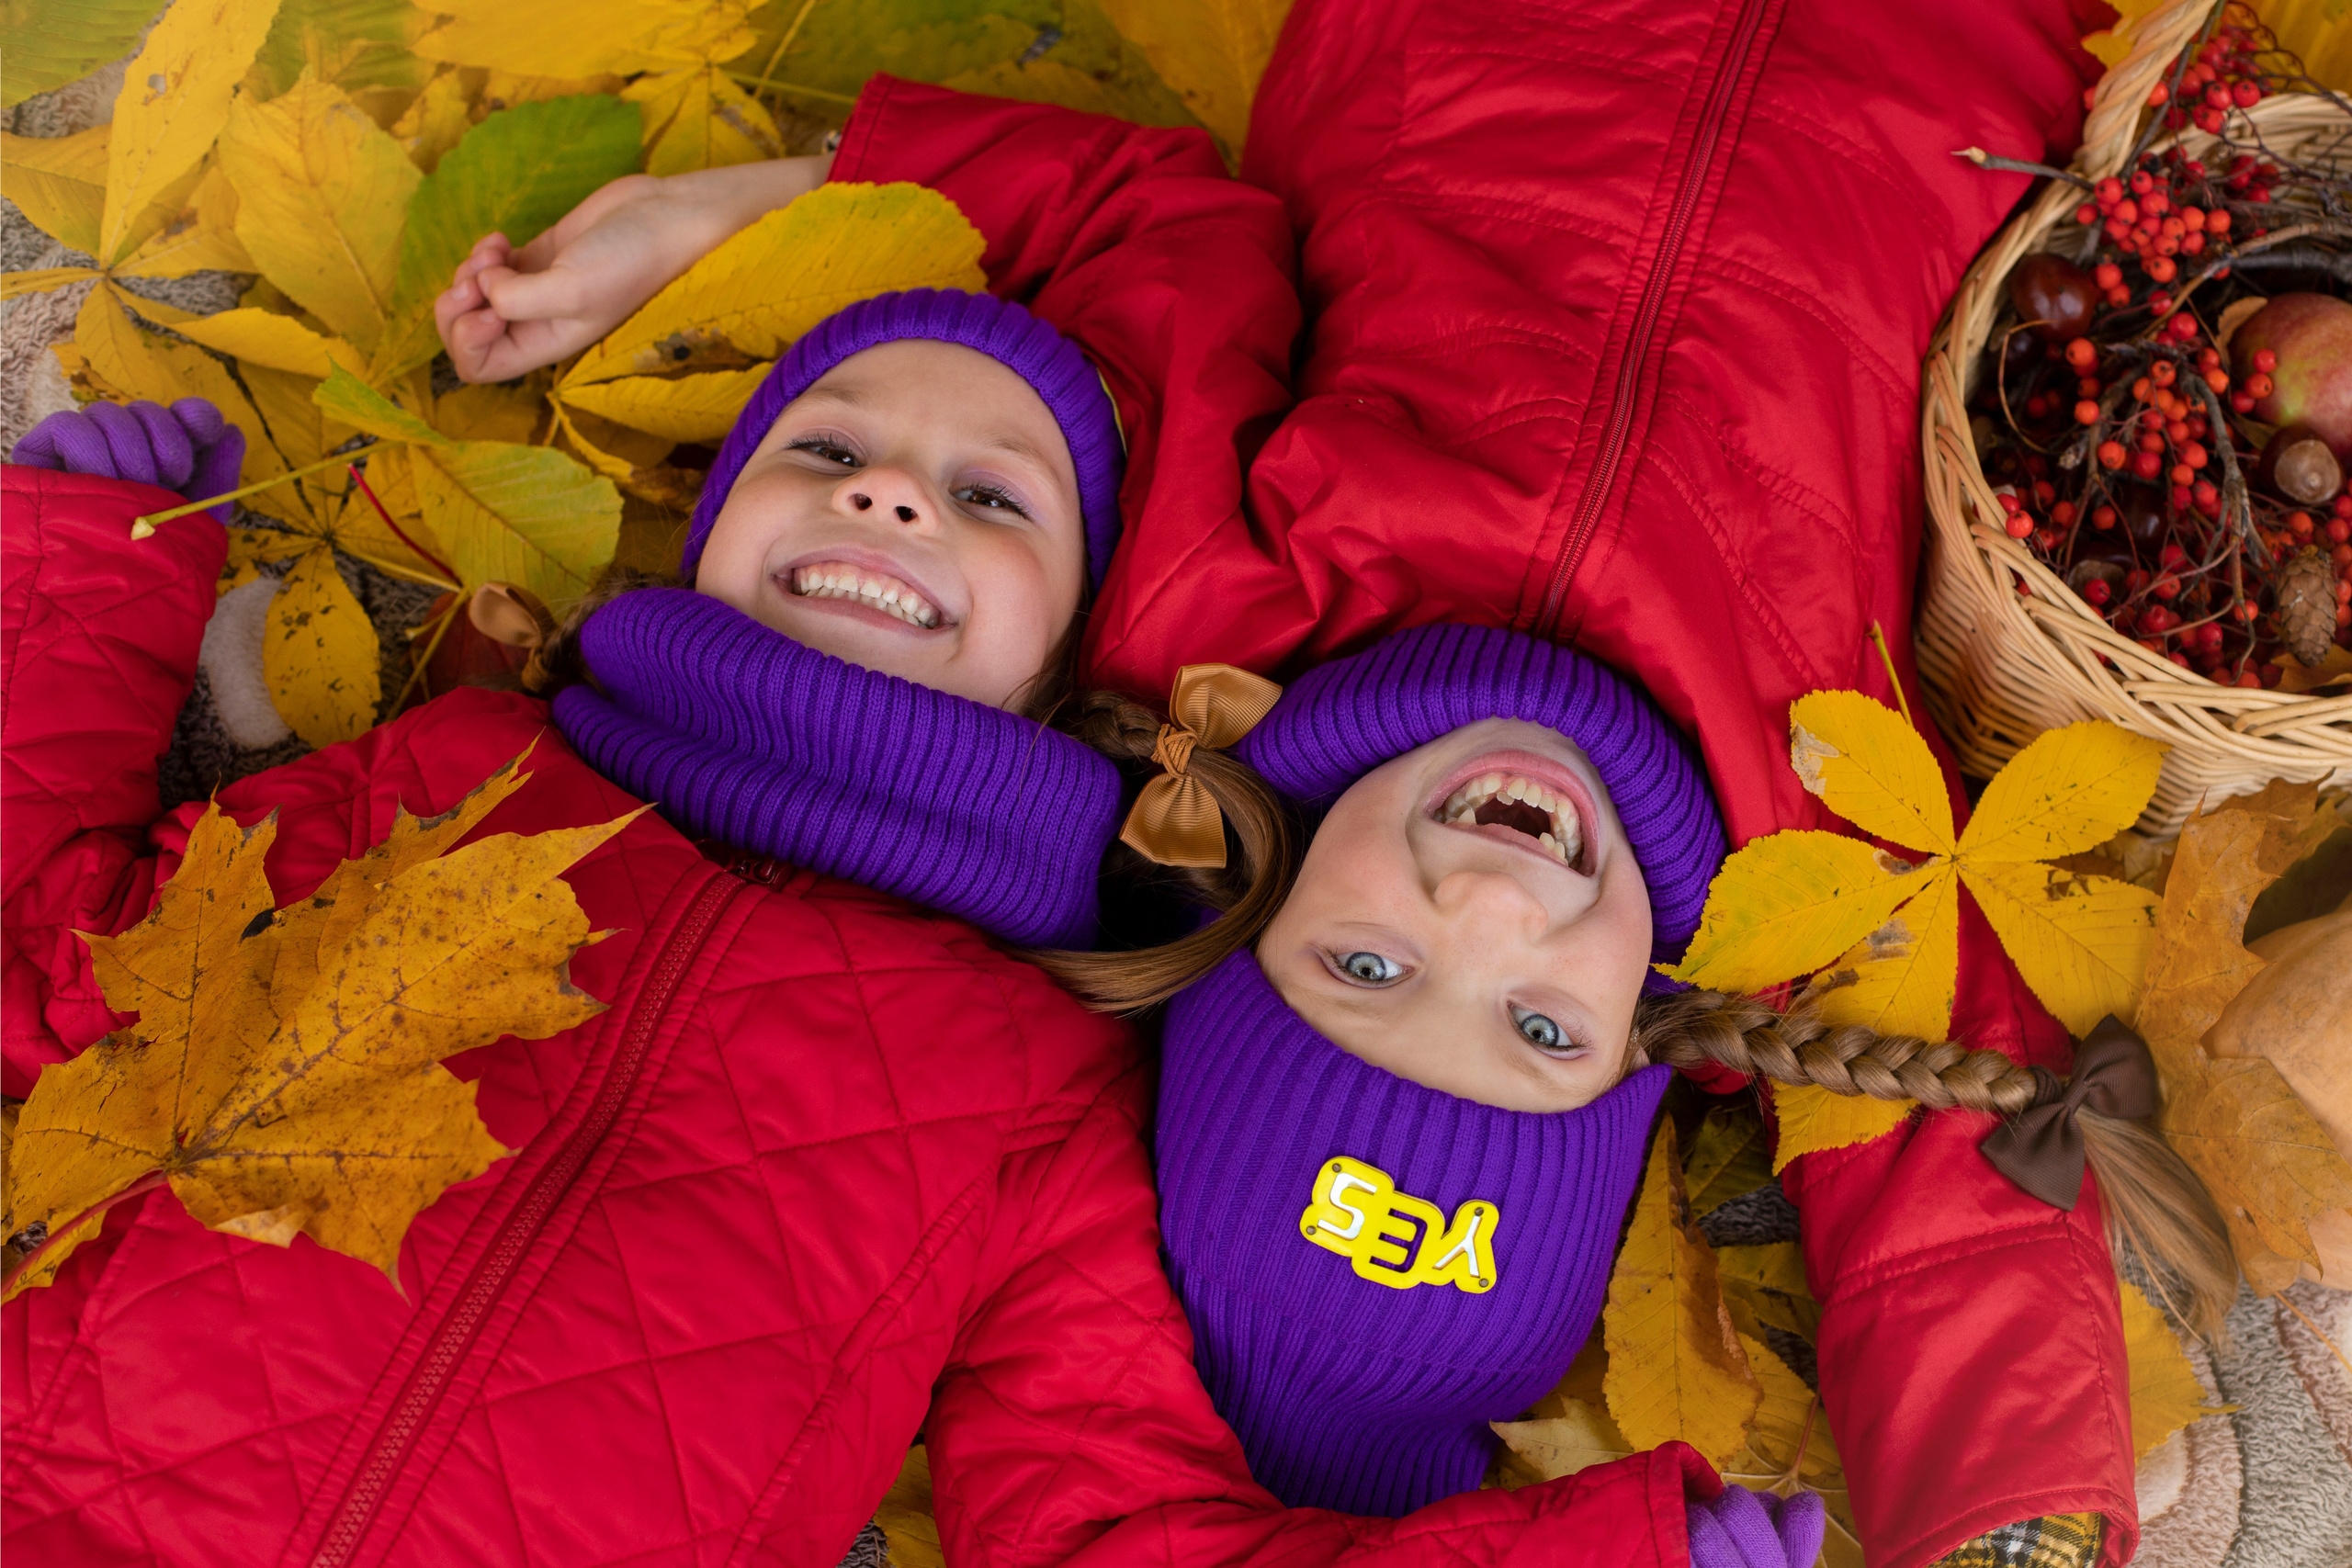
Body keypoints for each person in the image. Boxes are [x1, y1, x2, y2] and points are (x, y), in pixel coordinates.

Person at [2, 87, 1786, 1568]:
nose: (884, 486)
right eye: (815, 447)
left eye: (991, 496)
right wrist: (73, 588)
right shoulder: (440, 777)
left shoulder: (1045, 1081)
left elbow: (1117, 1522)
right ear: (699, 526)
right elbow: (43, 946)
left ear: (1082, 650)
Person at [1148, 621, 2230, 1526]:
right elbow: (1938, 1185)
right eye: (1540, 1029)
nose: (1493, 905)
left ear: (1259, 898)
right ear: (1638, 1037)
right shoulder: (1809, 855)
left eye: (1371, 967)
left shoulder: (1214, 613)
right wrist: (2005, 1491)